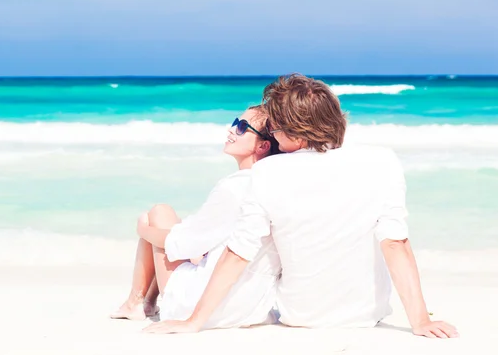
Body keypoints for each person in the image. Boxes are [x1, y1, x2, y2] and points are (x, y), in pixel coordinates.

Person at [144, 74, 459, 339]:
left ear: (295, 131)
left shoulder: (268, 172)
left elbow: (239, 253)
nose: (277, 140)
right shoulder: (382, 161)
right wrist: (420, 320)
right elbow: (395, 243)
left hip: (302, 315)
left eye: (278, 130)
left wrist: (193, 322)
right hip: (367, 314)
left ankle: (139, 300)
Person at [111, 106, 282, 329]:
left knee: (157, 214)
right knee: (174, 231)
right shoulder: (274, 185)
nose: (231, 130)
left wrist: (143, 230)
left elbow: (182, 243)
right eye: (234, 123)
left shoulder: (234, 187)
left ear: (263, 145)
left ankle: (136, 302)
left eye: (242, 128)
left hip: (199, 305)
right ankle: (145, 304)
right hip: (251, 309)